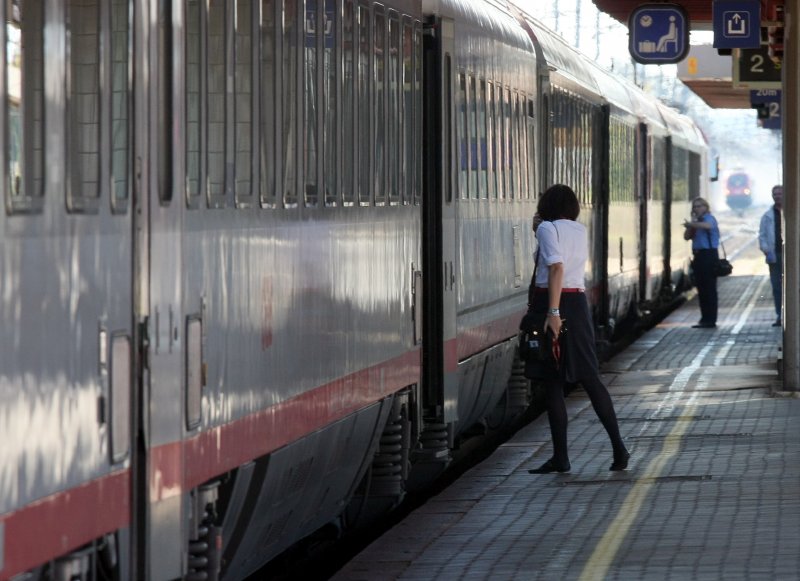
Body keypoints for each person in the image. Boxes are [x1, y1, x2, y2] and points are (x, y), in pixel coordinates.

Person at [527, 184, 629, 474]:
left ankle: (562, 458)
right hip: (578, 304)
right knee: (590, 378)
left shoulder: (548, 229)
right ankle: (619, 449)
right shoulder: (578, 229)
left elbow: (555, 268)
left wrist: (553, 312)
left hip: (554, 303)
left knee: (553, 383)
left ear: (545, 204)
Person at [683, 197, 720, 329]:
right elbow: (686, 237)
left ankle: (711, 319)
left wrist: (692, 224)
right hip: (698, 256)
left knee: (709, 289)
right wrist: (692, 224)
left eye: (699, 206)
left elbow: (708, 226)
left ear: (706, 207)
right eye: (695, 207)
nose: (697, 209)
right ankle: (704, 318)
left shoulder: (709, 219)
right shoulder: (696, 222)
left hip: (709, 255)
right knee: (702, 289)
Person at [758, 185, 783, 326]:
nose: (777, 196)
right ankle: (780, 315)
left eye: (780, 193)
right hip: (774, 255)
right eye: (775, 194)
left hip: (791, 256)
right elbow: (762, 235)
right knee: (777, 287)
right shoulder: (767, 216)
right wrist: (766, 249)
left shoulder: (792, 211)